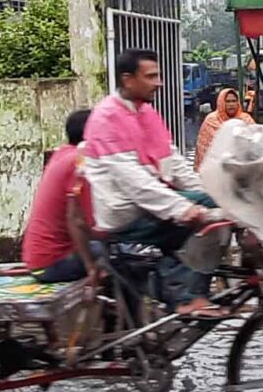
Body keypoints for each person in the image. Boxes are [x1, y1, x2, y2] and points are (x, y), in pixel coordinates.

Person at [82, 48, 224, 317]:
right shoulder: (106, 119)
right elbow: (134, 182)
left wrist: (212, 194)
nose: (159, 82)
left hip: (146, 204)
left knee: (214, 206)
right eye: (151, 76)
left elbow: (173, 162)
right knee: (193, 217)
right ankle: (184, 297)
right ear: (127, 79)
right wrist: (182, 209)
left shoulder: (146, 113)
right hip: (125, 214)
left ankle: (195, 293)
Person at [20, 108, 93, 284]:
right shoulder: (79, 161)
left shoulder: (62, 154)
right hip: (53, 263)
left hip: (37, 260)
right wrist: (91, 267)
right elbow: (77, 219)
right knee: (122, 255)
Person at [193, 88, 251, 167]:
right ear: (221, 102)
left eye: (234, 101)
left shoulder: (246, 119)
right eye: (227, 101)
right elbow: (204, 149)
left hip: (241, 169)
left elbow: (253, 143)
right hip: (216, 169)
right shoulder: (211, 120)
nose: (231, 104)